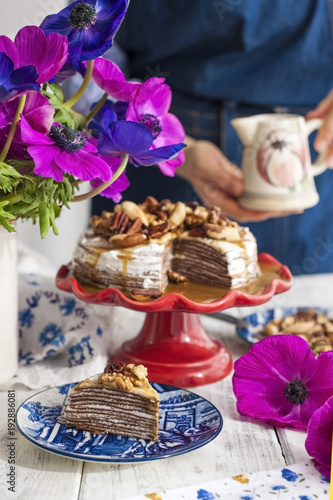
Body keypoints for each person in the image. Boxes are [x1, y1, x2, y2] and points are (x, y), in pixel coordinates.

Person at [92, 0, 333, 275]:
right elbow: (86, 60)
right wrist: (178, 153)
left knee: (299, 312)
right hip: (153, 166)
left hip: (309, 210)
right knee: (144, 301)